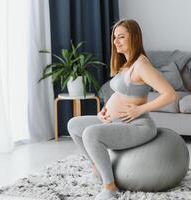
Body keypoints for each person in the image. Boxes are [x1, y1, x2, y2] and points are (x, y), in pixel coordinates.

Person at [67, 19, 177, 200]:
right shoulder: (126, 64)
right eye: (114, 37)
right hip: (116, 121)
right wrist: (104, 110)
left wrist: (140, 110)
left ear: (133, 38)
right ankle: (98, 169)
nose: (115, 42)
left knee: (90, 134)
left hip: (137, 125)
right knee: (74, 125)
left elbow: (170, 94)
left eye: (121, 37)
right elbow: (121, 94)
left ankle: (110, 187)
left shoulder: (141, 65)